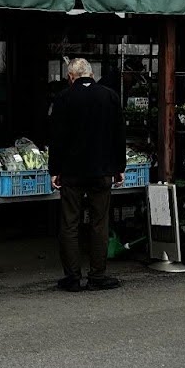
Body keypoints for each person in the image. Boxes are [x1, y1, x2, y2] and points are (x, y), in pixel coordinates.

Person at [47, 57, 126, 292]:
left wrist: (55, 170)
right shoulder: (110, 96)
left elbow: (57, 138)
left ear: (72, 77)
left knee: (69, 224)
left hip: (72, 172)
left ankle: (72, 278)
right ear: (91, 74)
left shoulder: (64, 98)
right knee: (99, 223)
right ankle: (98, 276)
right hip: (102, 171)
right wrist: (118, 167)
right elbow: (119, 135)